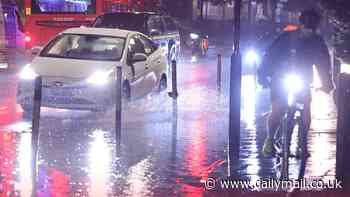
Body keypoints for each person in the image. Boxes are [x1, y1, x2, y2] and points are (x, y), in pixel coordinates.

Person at [258, 9, 334, 157]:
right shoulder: (287, 38)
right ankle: (270, 139)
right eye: (306, 24)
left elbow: (323, 64)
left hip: (303, 79)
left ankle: (303, 143)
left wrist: (327, 83)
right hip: (280, 78)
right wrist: (263, 75)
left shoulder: (318, 42)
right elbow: (270, 55)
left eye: (312, 25)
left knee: (306, 109)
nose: (309, 28)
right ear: (301, 23)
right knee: (277, 109)